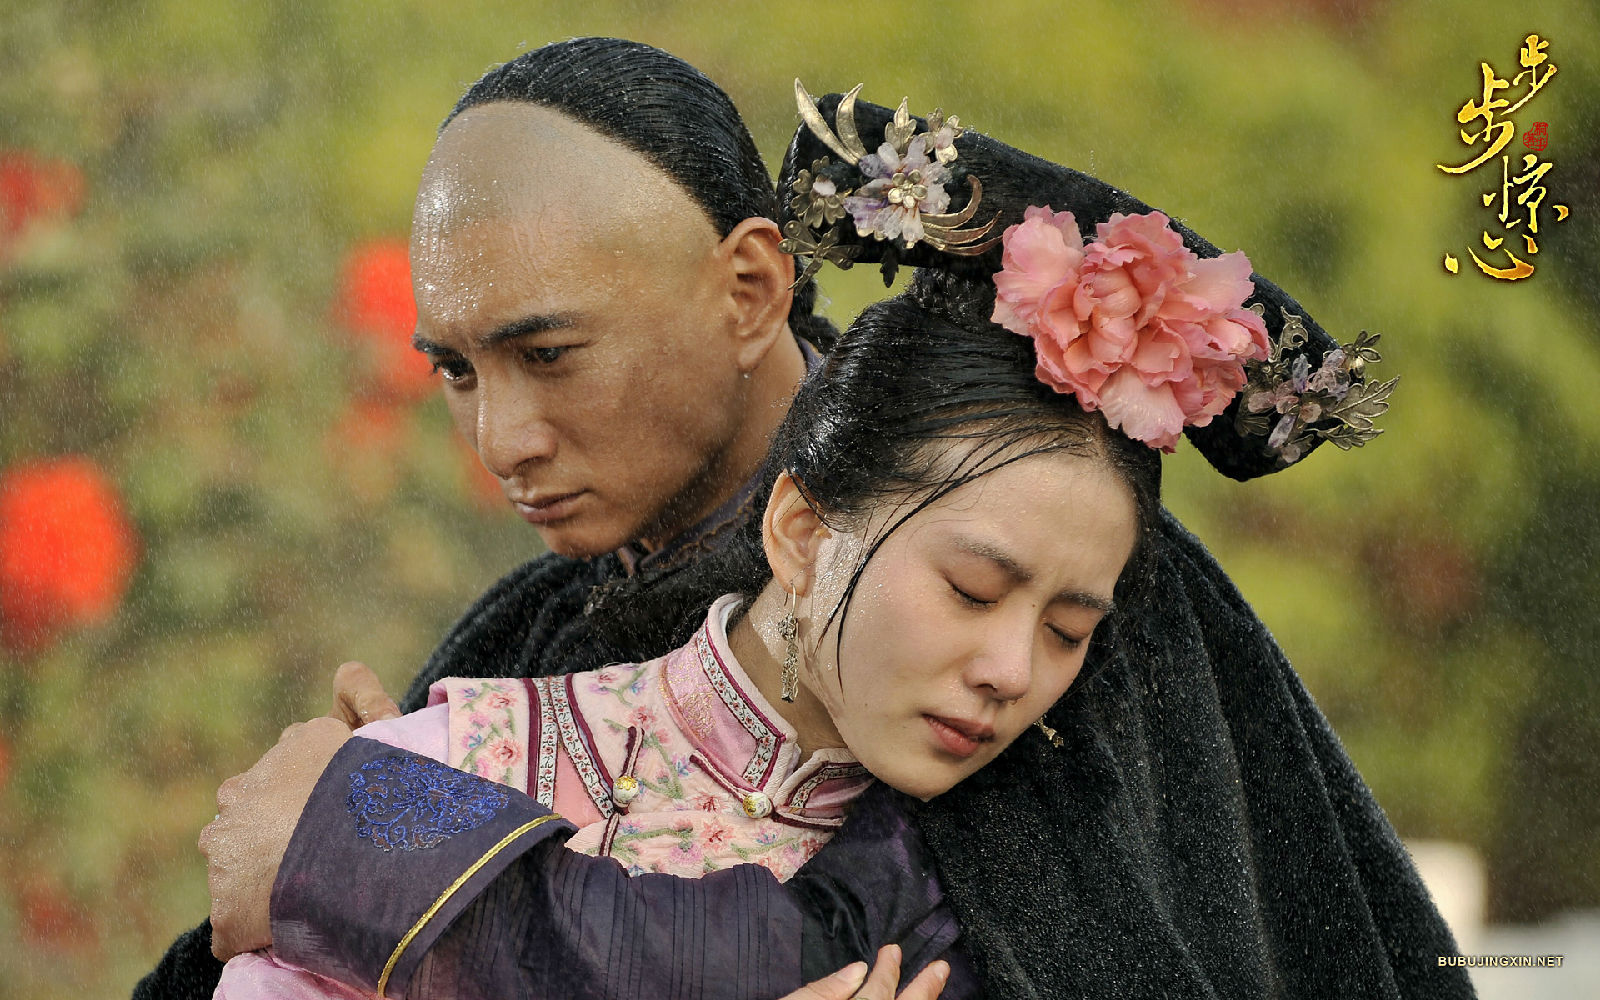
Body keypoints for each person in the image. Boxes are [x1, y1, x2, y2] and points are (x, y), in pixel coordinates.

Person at [186, 65, 1474, 1000]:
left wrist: (358, 849)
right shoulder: (527, 638)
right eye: (457, 372)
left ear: (752, 286)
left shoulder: (1074, 607)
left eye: (549, 353)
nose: (501, 438)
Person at [211, 230, 1162, 996]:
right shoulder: (456, 768)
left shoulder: (1020, 903)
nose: (1012, 670)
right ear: (800, 532)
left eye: (1067, 632)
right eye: (971, 590)